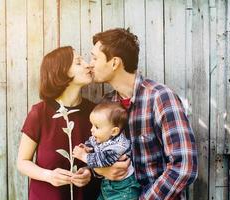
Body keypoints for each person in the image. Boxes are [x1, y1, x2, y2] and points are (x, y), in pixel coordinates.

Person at [89, 28, 198, 199]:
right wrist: (100, 170)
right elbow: (99, 155)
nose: (91, 64)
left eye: (95, 58)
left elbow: (184, 167)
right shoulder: (106, 104)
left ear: (114, 63)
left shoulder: (160, 98)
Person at [17, 46, 100, 200]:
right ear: (61, 72)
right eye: (78, 62)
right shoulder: (39, 113)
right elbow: (22, 162)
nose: (88, 64)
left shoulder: (95, 113)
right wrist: (48, 175)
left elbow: (104, 157)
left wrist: (90, 172)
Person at [73, 102, 141, 200]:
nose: (92, 130)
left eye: (96, 127)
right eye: (92, 125)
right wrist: (87, 148)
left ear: (114, 131)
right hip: (107, 185)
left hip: (124, 189)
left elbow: (104, 160)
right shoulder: (103, 137)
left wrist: (84, 156)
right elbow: (91, 142)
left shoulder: (118, 146)